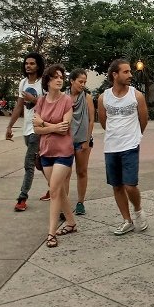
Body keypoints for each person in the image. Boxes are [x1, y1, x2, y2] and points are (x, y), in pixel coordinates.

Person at [99, 58, 149, 235]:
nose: (130, 75)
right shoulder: (103, 98)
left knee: (130, 185)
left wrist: (136, 136)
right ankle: (126, 220)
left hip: (130, 146)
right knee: (117, 185)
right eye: (126, 72)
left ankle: (138, 210)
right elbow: (104, 122)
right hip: (111, 147)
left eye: (130, 71)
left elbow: (144, 120)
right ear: (115, 74)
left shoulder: (137, 95)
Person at [32, 64, 76, 248]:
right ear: (47, 81)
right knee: (58, 190)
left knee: (55, 191)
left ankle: (51, 233)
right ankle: (72, 223)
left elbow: (64, 127)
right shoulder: (40, 102)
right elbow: (36, 129)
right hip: (46, 152)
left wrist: (44, 124)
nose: (59, 80)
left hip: (64, 152)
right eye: (55, 77)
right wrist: (50, 127)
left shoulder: (67, 101)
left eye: (61, 77)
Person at [5, 52, 45, 211]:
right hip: (27, 129)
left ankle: (22, 197)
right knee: (40, 163)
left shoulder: (43, 83)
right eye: (26, 63)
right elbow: (19, 106)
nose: (28, 66)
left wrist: (34, 99)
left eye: (32, 63)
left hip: (39, 128)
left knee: (28, 163)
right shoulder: (22, 83)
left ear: (38, 66)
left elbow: (49, 104)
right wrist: (9, 126)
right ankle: (53, 187)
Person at [68, 69, 95, 215]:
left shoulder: (87, 97)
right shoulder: (63, 96)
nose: (83, 84)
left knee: (81, 171)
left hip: (83, 140)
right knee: (65, 173)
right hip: (65, 140)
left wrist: (87, 139)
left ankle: (80, 202)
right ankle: (63, 204)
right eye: (80, 81)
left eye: (85, 82)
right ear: (72, 81)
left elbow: (91, 120)